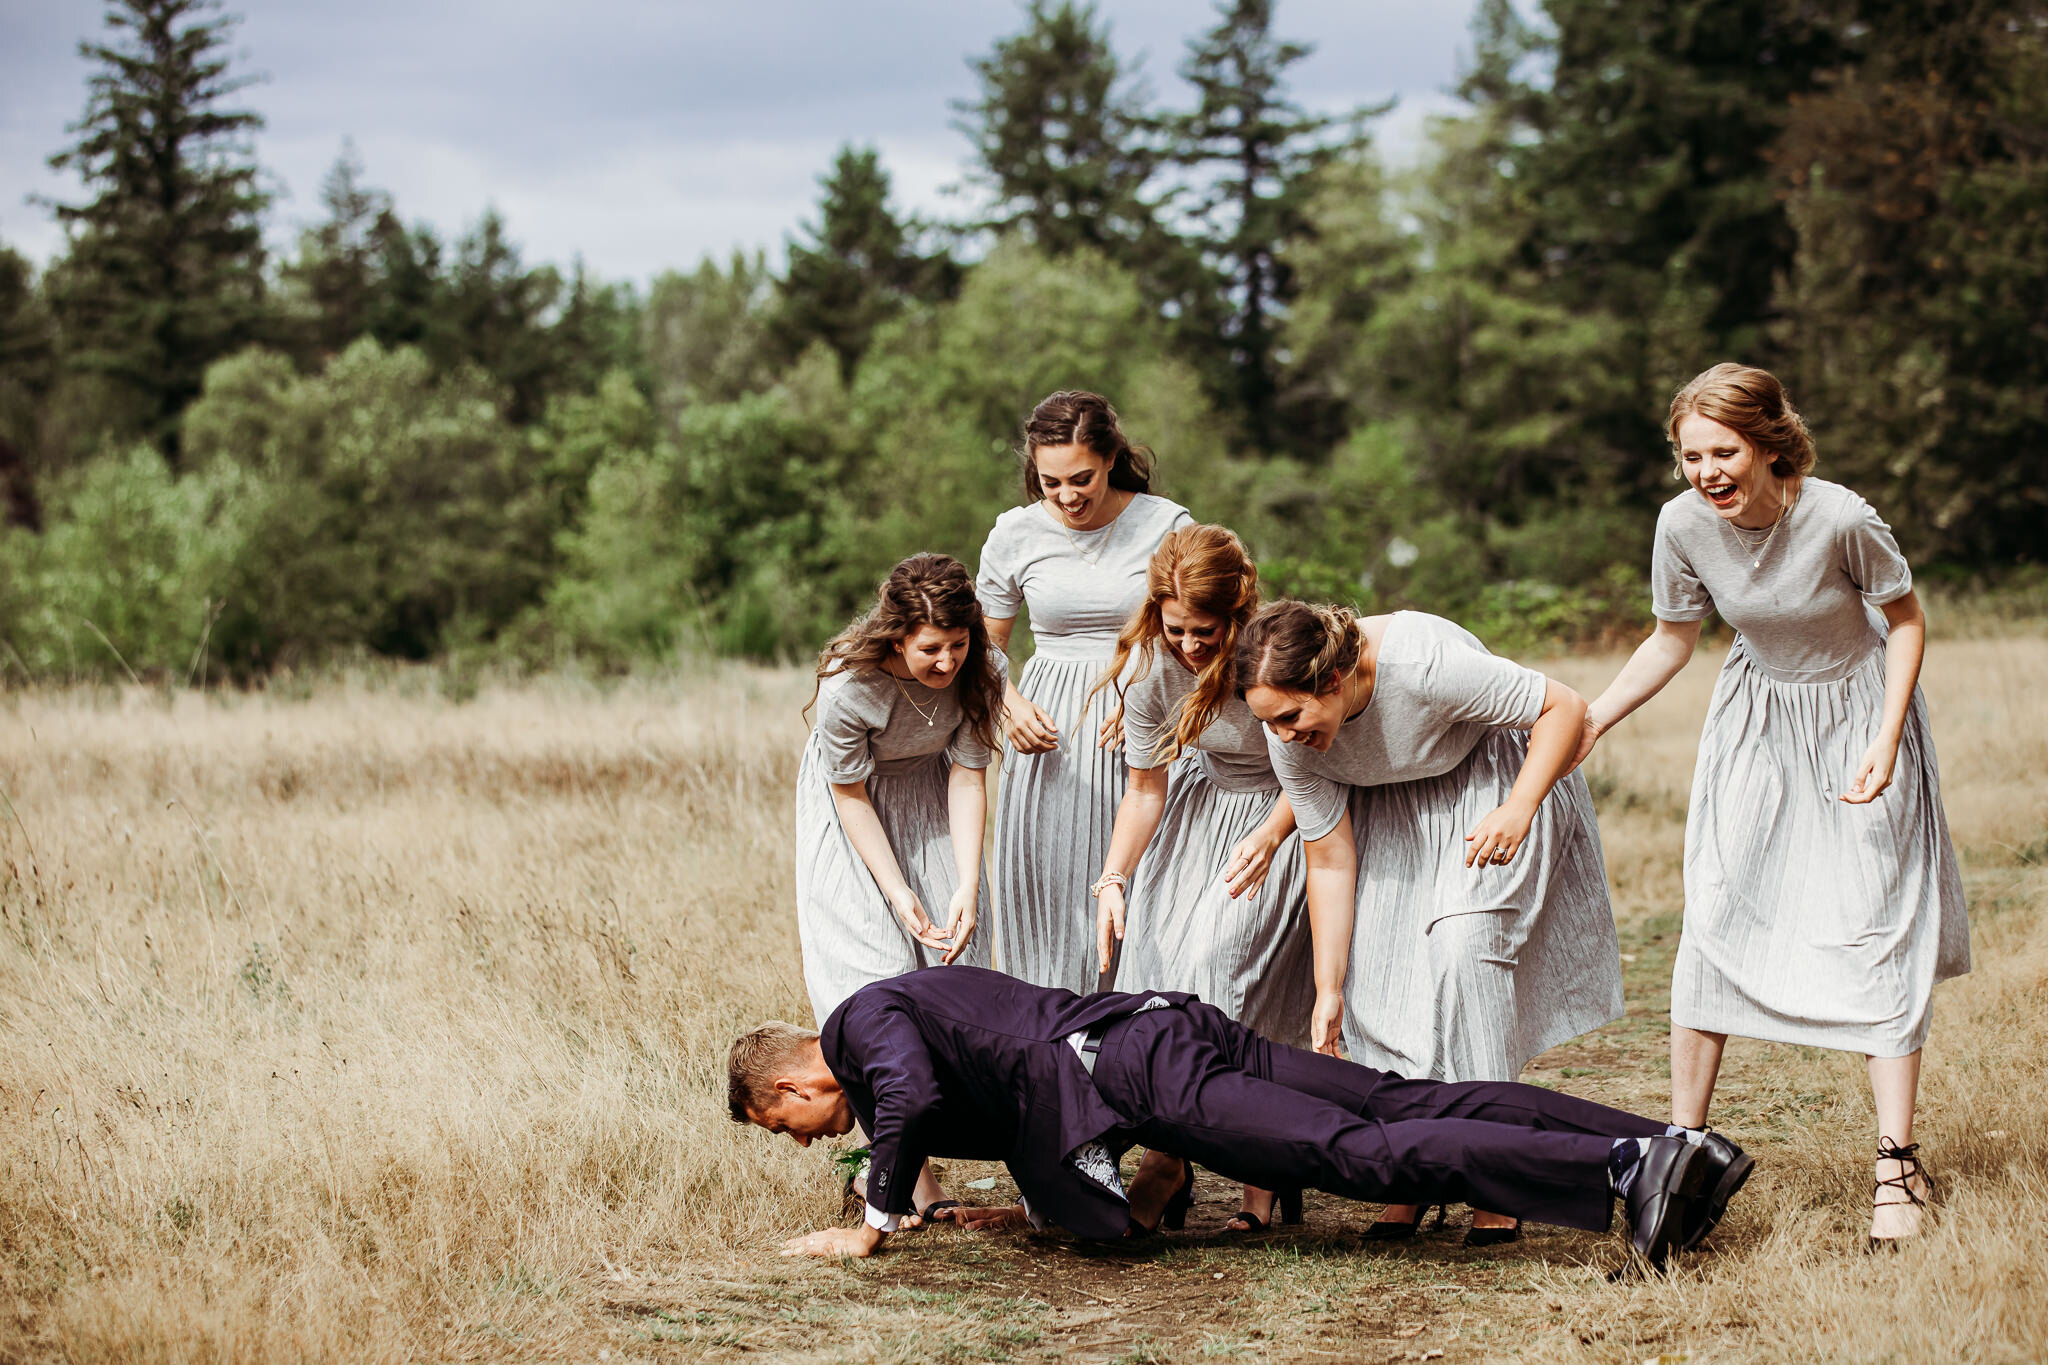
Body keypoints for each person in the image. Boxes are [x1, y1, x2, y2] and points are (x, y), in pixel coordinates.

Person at [1576, 362, 1969, 1249]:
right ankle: (1679, 1160)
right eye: (1690, 455)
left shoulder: (1840, 516)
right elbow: (1673, 637)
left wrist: (1884, 732)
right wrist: (1596, 716)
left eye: (1725, 451)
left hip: (1858, 711)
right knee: (1714, 913)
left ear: (1767, 444)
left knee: (1876, 923)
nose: (1707, 470)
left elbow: (1904, 619)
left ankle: (1897, 1167)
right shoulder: (1682, 524)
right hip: (1757, 720)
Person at [728, 966, 1750, 1271]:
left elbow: (906, 1095)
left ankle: (1623, 1168)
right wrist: (1000, 1212)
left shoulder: (859, 1024)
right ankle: (1666, 1144)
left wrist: (870, 1219)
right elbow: (1001, 1101)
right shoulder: (886, 1037)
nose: (812, 1136)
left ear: (786, 1087)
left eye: (789, 1126)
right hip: (1162, 1029)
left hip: (1140, 1065)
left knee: (1361, 1149)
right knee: (1396, 1100)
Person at [1233, 601, 1626, 1245]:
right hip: (1396, 812)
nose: (1280, 736)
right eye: (1267, 723)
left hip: (1492, 789)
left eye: (1289, 717)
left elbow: (1564, 707)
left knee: (1465, 950)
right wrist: (1328, 988)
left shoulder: (1420, 665)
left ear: (1331, 680)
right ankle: (1416, 1169)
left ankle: (1495, 1175)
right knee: (1380, 984)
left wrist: (1522, 805)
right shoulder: (1292, 741)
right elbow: (1329, 860)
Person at [1090, 524, 1315, 1232]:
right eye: (1177, 627)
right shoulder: (1153, 667)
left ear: (1239, 607)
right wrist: (1113, 876)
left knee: (1229, 970)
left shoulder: (1271, 650)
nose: (1190, 645)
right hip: (1200, 814)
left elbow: (1315, 761)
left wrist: (1271, 835)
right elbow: (1145, 789)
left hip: (1286, 809)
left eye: (1206, 630)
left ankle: (1251, 1179)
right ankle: (1171, 1153)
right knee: (1165, 978)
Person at [796, 552, 1003, 1222]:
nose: (947, 662)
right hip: (852, 809)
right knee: (873, 977)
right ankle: (903, 1174)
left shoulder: (978, 668)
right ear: (896, 638)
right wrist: (893, 889)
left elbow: (969, 771)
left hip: (934, 795)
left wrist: (968, 879)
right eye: (931, 649)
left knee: (950, 960)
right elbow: (850, 793)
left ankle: (921, 1140)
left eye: (959, 644)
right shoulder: (847, 688)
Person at [976, 391, 1192, 995]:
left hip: (1141, 723)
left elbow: (1201, 634)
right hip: (1048, 740)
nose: (1068, 496)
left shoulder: (1166, 525)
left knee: (1136, 891)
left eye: (1082, 479)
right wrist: (1009, 703)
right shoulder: (1015, 534)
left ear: (1111, 458)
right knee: (1047, 898)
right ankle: (1046, 1050)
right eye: (1050, 483)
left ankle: (1136, 1048)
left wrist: (1154, 698)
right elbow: (983, 646)